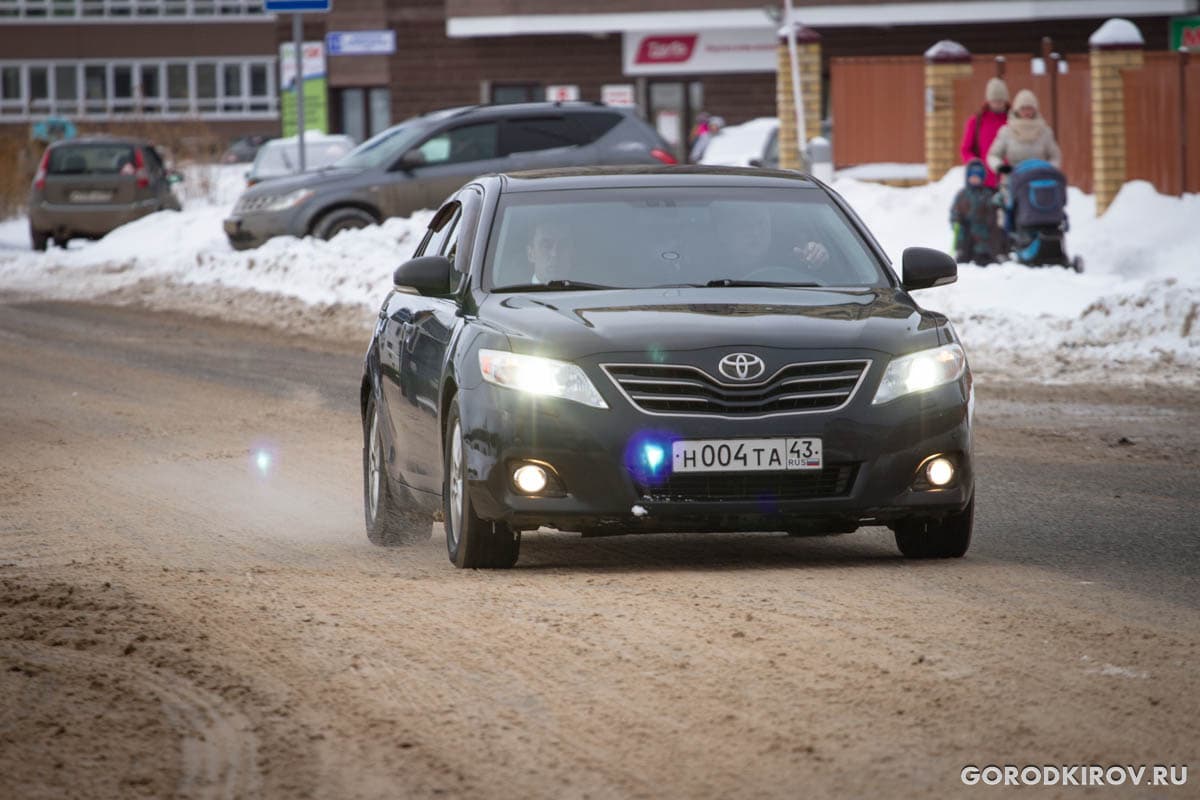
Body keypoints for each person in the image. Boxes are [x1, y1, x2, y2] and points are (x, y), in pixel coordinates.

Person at [986, 89, 1062, 173]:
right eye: (1023, 108)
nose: (1026, 112)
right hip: (1012, 180)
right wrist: (1000, 166)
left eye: (1029, 108)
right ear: (1017, 110)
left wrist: (1048, 168)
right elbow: (993, 155)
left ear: (1035, 109)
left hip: (1039, 179)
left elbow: (1055, 156)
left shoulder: (1045, 132)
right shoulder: (1006, 131)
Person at [950, 159, 1005, 265]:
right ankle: (963, 253)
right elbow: (955, 211)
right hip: (966, 234)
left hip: (983, 234)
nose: (975, 180)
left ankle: (986, 255)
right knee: (963, 258)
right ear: (968, 177)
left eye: (977, 177)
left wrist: (996, 203)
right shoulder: (962, 195)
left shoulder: (987, 194)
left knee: (984, 258)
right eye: (972, 177)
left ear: (982, 178)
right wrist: (956, 221)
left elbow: (992, 209)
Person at [959, 77, 1010, 189]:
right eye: (994, 101)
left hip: (1009, 180)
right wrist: (974, 162)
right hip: (983, 181)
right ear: (988, 101)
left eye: (1000, 101)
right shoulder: (976, 122)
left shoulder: (1013, 121)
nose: (997, 104)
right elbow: (965, 149)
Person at [526, 218, 577, 284]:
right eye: (546, 246)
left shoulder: (592, 292)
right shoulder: (512, 292)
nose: (555, 254)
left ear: (572, 254)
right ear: (530, 254)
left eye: (562, 245)